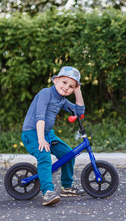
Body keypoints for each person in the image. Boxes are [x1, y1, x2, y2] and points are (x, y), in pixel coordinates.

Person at [21, 66, 85, 206]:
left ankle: (67, 187)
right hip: (32, 132)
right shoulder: (46, 93)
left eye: (71, 86)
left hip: (48, 133)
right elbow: (40, 117)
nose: (66, 87)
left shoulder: (61, 99)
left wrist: (78, 91)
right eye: (64, 82)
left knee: (68, 154)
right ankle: (48, 193)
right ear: (56, 80)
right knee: (44, 156)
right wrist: (41, 139)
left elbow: (79, 111)